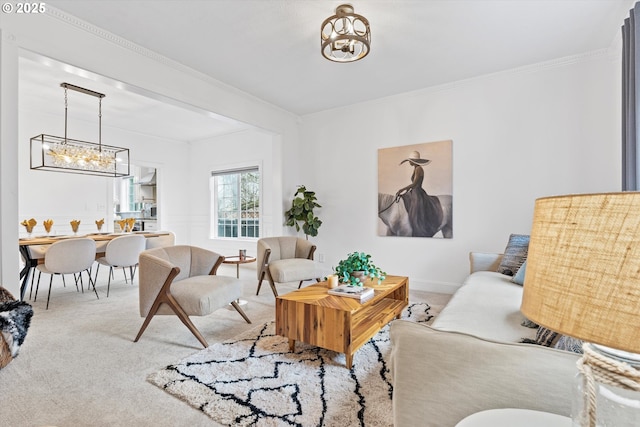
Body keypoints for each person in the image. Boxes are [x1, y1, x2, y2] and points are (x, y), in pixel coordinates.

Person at [395, 151, 443, 237]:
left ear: (413, 161)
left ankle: (418, 228)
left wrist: (402, 189)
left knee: (415, 209)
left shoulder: (419, 169)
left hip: (418, 192)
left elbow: (414, 184)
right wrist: (406, 191)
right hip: (413, 191)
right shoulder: (415, 168)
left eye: (410, 160)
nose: (409, 162)